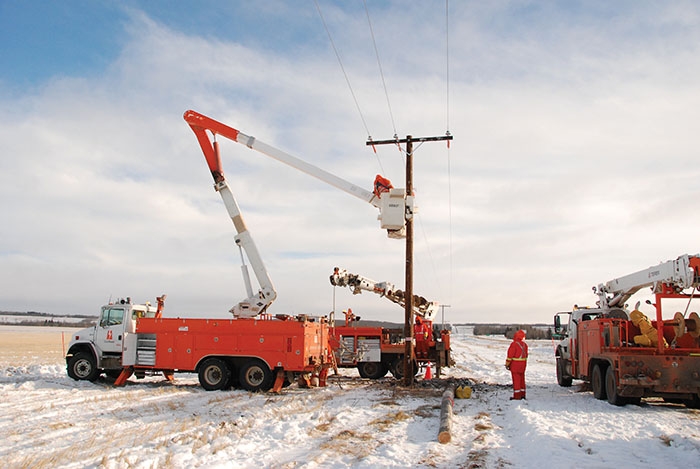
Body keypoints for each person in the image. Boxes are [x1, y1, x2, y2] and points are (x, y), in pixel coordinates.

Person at [505, 330, 528, 400]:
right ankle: (523, 394)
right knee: (522, 380)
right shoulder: (525, 345)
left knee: (516, 380)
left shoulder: (514, 344)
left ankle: (517, 396)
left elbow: (510, 356)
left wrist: (507, 364)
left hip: (515, 365)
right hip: (523, 365)